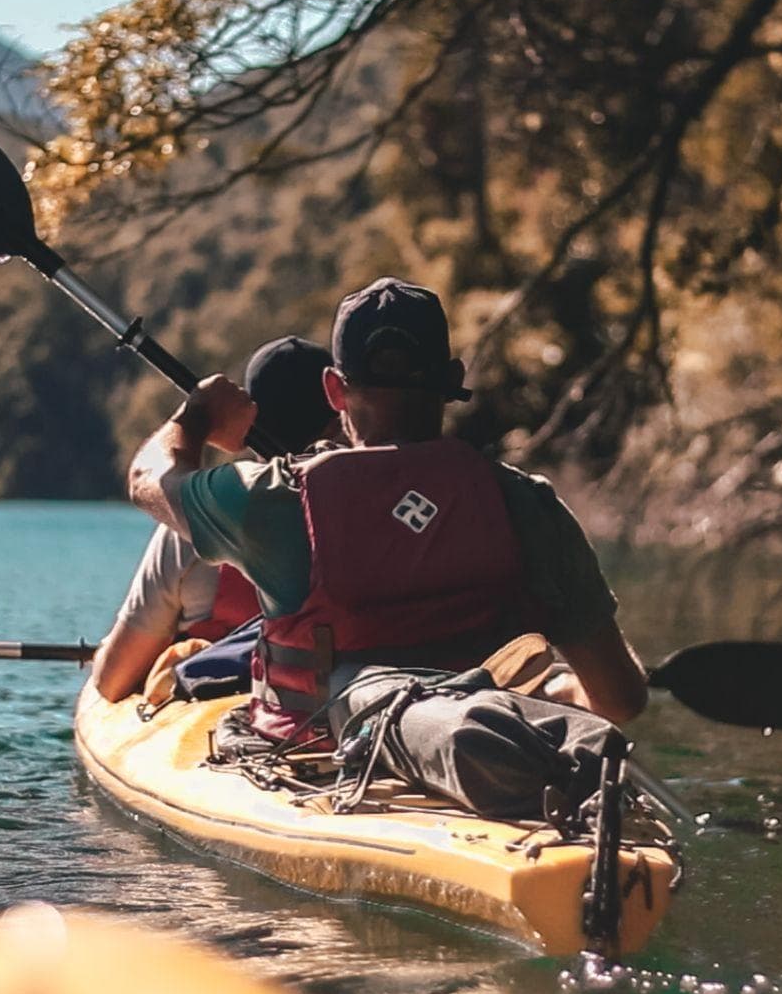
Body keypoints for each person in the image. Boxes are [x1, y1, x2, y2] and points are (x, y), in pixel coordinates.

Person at [126, 278, 649, 816]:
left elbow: (147, 480)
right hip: (498, 759)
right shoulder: (528, 504)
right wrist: (560, 695)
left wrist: (197, 417)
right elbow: (621, 699)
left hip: (317, 763)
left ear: (334, 389)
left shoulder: (275, 501)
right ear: (453, 380)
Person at [93, 335, 336, 702]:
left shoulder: (190, 528)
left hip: (239, 709)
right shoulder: (373, 503)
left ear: (248, 423)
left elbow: (112, 680)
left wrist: (198, 418)